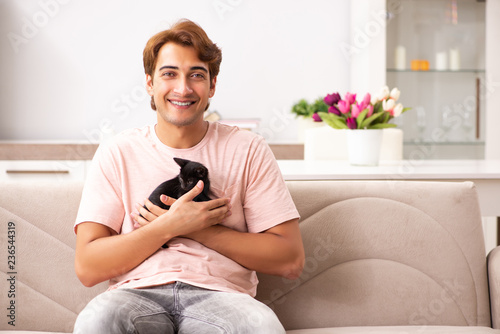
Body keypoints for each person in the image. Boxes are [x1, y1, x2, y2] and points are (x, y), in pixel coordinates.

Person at [73, 18, 304, 334]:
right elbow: (87, 268)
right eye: (169, 74)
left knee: (261, 326)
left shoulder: (249, 149)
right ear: (150, 83)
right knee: (95, 322)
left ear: (212, 86)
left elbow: (290, 260)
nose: (182, 88)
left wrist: (199, 229)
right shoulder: (117, 152)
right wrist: (170, 225)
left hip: (222, 298)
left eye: (196, 75)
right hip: (134, 296)